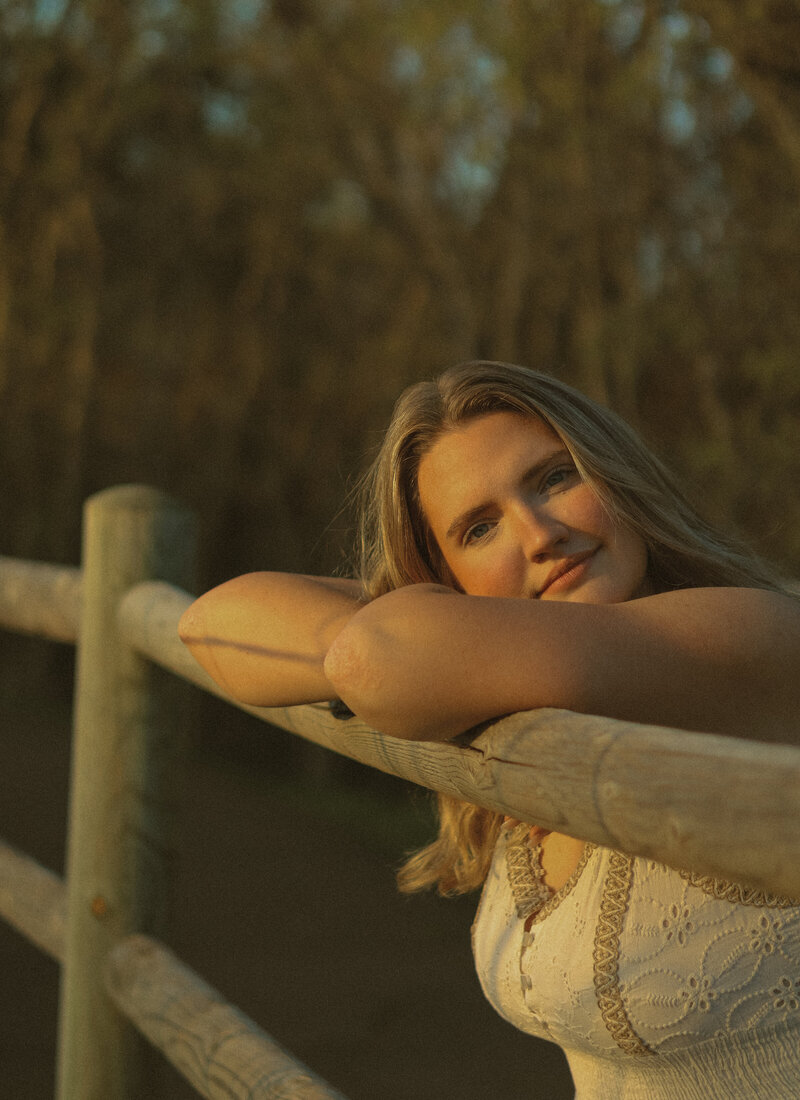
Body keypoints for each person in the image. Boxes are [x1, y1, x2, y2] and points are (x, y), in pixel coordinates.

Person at [179, 361, 800, 1098]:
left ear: (616, 476)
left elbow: (374, 659)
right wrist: (413, 639)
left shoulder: (753, 635)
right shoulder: (522, 691)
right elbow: (210, 627)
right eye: (480, 527)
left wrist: (411, 646)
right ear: (446, 579)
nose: (540, 535)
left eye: (554, 479)